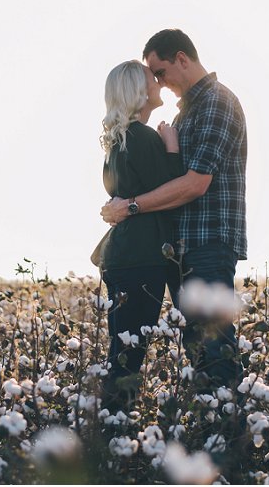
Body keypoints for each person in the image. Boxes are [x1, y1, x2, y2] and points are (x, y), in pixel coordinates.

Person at [100, 29, 248, 389]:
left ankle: (227, 436)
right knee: (198, 347)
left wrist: (130, 206)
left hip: (208, 244)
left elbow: (195, 183)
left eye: (160, 71)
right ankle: (208, 429)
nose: (160, 84)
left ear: (182, 58)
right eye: (153, 78)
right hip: (180, 249)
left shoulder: (216, 103)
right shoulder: (184, 115)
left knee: (214, 349)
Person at [92, 60, 186, 412]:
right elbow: (172, 192)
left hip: (123, 258)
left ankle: (110, 424)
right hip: (142, 259)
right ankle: (113, 428)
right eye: (152, 78)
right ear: (139, 91)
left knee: (122, 351)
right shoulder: (143, 137)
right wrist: (173, 148)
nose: (159, 82)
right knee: (129, 356)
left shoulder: (118, 141)